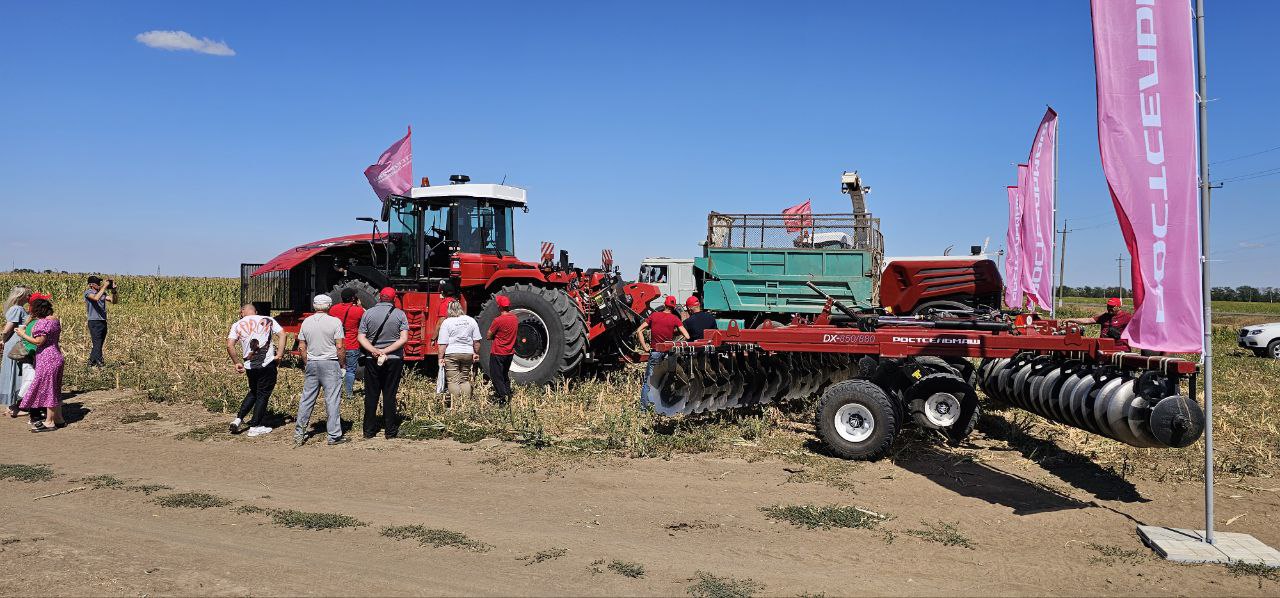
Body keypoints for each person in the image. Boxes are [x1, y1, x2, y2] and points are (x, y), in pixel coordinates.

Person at [294, 295, 348, 447]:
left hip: (312, 362)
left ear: (314, 306)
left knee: (307, 399)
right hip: (330, 363)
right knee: (332, 400)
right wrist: (342, 365)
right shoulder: (335, 322)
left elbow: (302, 347)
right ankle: (334, 436)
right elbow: (339, 347)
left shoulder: (306, 322)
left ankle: (300, 433)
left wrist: (306, 362)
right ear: (329, 306)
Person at [226, 304, 285, 436]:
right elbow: (282, 334)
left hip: (250, 365)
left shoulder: (237, 325)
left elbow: (230, 345)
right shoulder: (268, 319)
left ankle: (238, 419)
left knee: (254, 392)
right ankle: (255, 426)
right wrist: (279, 355)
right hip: (267, 363)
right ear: (256, 312)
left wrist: (236, 363)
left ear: (242, 312)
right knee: (263, 393)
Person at [358, 287, 409, 439]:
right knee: (389, 394)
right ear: (394, 299)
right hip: (393, 359)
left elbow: (361, 337)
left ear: (380, 297)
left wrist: (374, 350)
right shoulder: (400, 314)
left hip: (371, 359)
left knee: (371, 394)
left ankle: (368, 431)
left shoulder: (368, 313)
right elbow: (404, 338)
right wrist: (386, 351)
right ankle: (390, 431)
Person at [14, 298, 64, 432]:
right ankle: (59, 419)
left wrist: (23, 334)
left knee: (49, 390)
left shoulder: (43, 323)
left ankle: (50, 421)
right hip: (57, 356)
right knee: (55, 389)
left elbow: (39, 341)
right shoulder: (55, 320)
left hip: (47, 358)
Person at [635, 296, 690, 406]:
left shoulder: (654, 316)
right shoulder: (675, 319)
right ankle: (662, 404)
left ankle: (644, 408)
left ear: (664, 305)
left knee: (648, 382)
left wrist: (645, 347)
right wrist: (674, 340)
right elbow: (687, 336)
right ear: (673, 308)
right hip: (668, 354)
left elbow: (639, 330)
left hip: (655, 352)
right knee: (666, 379)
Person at [438, 300, 483, 404]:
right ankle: (466, 404)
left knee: (453, 380)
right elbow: (477, 340)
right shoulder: (471, 320)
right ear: (460, 308)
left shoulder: (447, 322)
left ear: (449, 310)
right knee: (464, 379)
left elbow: (442, 343)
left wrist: (440, 358)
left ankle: (456, 404)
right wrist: (476, 353)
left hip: (452, 353)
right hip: (467, 353)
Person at [328, 288, 365, 400]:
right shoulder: (358, 310)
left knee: (336, 370)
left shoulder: (333, 309)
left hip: (336, 344)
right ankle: (348, 394)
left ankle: (335, 393)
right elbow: (366, 320)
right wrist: (359, 306)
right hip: (352, 345)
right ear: (354, 298)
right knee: (350, 370)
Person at [1, 286, 32, 415]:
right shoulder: (17, 309)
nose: (29, 297)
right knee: (15, 372)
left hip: (15, 343)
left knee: (17, 372)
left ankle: (14, 404)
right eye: (27, 295)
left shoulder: (18, 309)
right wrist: (2, 340)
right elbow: (7, 329)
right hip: (15, 344)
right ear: (21, 296)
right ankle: (12, 407)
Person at [486, 295, 518, 404]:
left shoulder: (498, 320)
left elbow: (488, 336)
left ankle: (502, 397)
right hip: (509, 353)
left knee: (496, 376)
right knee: (504, 375)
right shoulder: (514, 318)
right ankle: (508, 394)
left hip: (498, 352)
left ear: (499, 307)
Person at [84, 275, 116, 366]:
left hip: (103, 320)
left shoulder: (102, 293)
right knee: (97, 341)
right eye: (97, 283)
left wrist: (114, 291)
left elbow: (114, 301)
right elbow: (95, 298)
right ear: (91, 284)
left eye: (100, 283)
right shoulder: (88, 292)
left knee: (99, 342)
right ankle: (99, 361)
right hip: (93, 321)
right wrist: (105, 286)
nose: (99, 284)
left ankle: (91, 361)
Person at [1064, 297, 1132, 340]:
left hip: (1120, 348)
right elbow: (1089, 320)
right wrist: (1071, 319)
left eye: (1112, 307)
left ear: (1119, 307)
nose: (1109, 308)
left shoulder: (1126, 317)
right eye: (1108, 306)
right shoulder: (1105, 316)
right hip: (1104, 346)